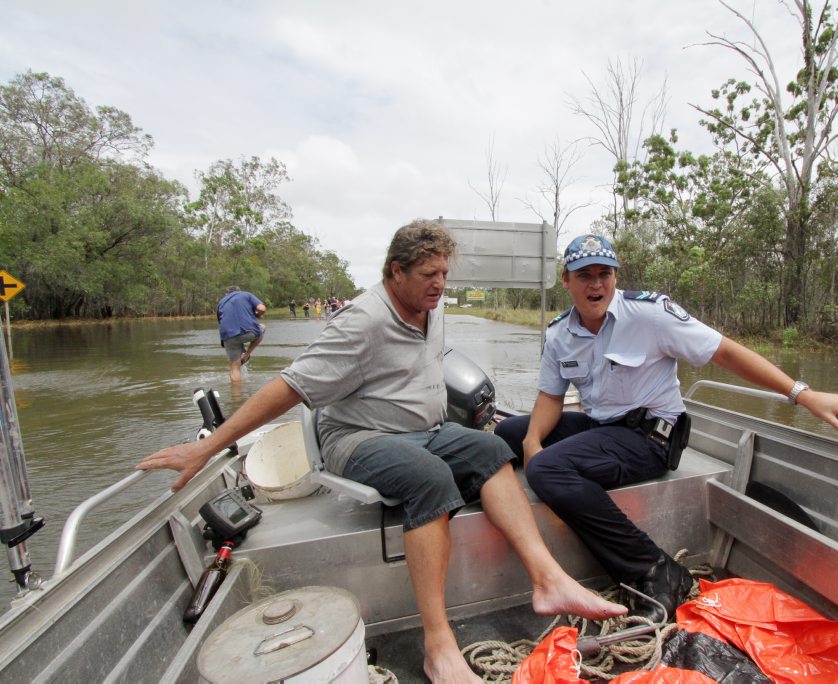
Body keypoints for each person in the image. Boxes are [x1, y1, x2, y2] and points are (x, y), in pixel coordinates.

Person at [139, 220, 624, 684]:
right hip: (359, 438)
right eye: (428, 275)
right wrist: (208, 448)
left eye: (445, 274)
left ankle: (547, 580)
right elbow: (288, 387)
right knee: (430, 477)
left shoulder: (432, 307)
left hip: (425, 429)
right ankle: (439, 646)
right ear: (395, 270)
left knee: (490, 447)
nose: (440, 285)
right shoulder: (362, 322)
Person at [495, 234, 838, 622]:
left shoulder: (651, 314)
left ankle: (655, 570)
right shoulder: (559, 333)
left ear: (616, 277)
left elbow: (726, 352)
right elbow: (551, 396)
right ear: (565, 281)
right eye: (584, 275)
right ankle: (551, 482)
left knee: (547, 469)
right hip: (601, 427)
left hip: (650, 437)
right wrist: (533, 441)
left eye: (605, 274)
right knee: (509, 435)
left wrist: (802, 393)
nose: (596, 284)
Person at [217, 286, 266, 383]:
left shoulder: (221, 302)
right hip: (249, 332)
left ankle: (236, 396)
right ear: (238, 291)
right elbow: (262, 308)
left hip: (227, 336)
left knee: (234, 367)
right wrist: (257, 315)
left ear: (227, 294)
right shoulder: (245, 294)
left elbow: (221, 321)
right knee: (263, 327)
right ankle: (246, 355)